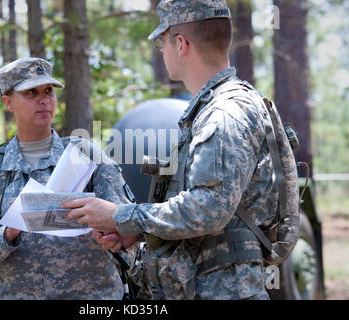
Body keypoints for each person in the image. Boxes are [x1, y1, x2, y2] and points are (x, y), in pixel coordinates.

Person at [62, 0, 282, 300]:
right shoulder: (213, 110)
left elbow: (209, 209)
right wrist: (138, 233)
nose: (162, 51)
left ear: (180, 44)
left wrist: (121, 217)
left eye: (161, 42)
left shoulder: (224, 114)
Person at [0, 57, 136, 299]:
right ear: (8, 102)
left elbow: (130, 223)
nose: (44, 99)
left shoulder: (86, 156)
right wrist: (7, 234)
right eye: (31, 92)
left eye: (49, 91)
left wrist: (116, 237)